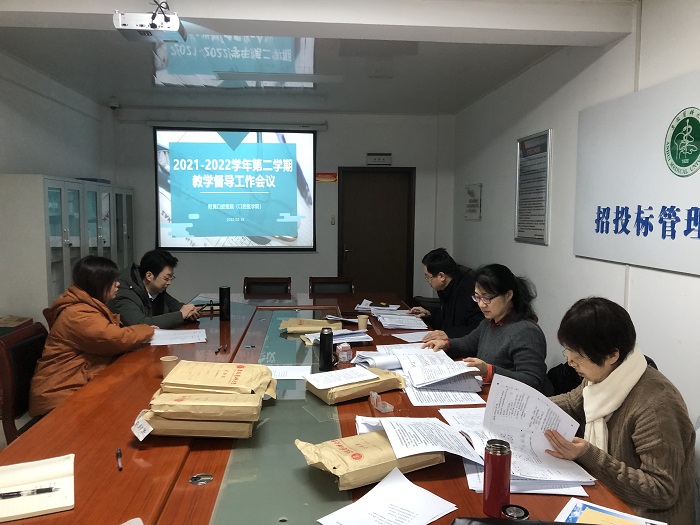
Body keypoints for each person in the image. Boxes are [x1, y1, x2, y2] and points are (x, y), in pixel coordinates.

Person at [544, 297, 695, 525]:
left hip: (645, 515)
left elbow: (661, 490)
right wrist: (522, 405)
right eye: (569, 351)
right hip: (610, 498)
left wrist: (589, 455)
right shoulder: (604, 376)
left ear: (612, 355)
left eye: (579, 356)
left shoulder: (656, 405)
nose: (571, 362)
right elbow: (573, 402)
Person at [29, 256, 154, 417]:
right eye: (112, 281)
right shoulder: (78, 313)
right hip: (60, 394)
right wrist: (146, 330)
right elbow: (114, 339)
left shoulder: (88, 305)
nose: (117, 284)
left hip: (77, 383)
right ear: (98, 284)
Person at [423, 263, 552, 394]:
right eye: (477, 297)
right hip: (490, 391)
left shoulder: (526, 332)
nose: (481, 304)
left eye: (487, 298)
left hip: (514, 399)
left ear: (508, 295)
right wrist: (446, 344)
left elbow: (532, 381)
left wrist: (489, 371)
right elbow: (468, 344)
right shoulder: (490, 322)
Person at [108, 249, 199, 328]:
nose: (169, 283)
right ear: (149, 276)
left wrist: (187, 310)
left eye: (171, 278)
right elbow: (140, 324)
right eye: (166, 278)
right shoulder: (123, 293)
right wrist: (181, 315)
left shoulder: (155, 289)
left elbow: (173, 305)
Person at [409, 248, 484, 342]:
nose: (427, 281)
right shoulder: (447, 288)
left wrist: (447, 334)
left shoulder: (468, 291)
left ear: (441, 276)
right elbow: (447, 321)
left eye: (428, 277)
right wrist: (429, 315)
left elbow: (477, 329)